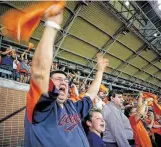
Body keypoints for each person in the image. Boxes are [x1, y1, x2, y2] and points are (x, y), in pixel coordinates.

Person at [24, 5, 109, 147]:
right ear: (49, 84)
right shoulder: (41, 107)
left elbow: (91, 94)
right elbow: (39, 72)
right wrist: (51, 25)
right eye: (58, 79)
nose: (63, 82)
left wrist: (100, 71)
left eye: (65, 80)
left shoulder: (72, 107)